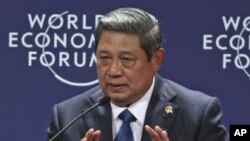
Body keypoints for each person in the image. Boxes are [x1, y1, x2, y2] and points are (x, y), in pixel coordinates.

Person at [47, 7, 229, 141]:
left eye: (126, 60)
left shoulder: (198, 114)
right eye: (104, 58)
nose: (113, 71)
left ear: (157, 59)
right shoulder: (67, 116)